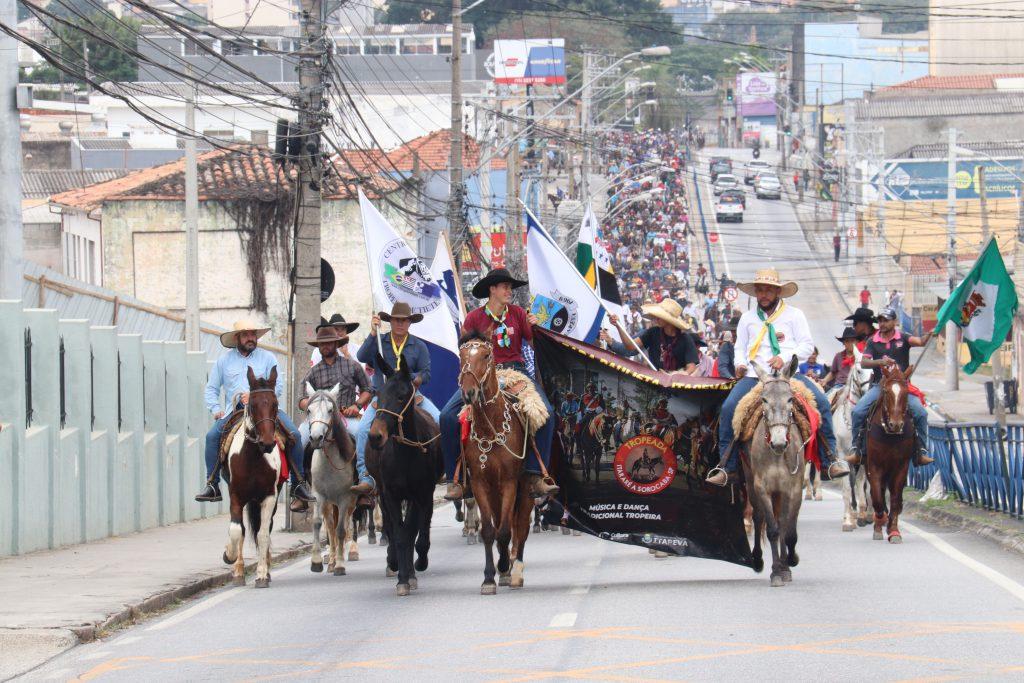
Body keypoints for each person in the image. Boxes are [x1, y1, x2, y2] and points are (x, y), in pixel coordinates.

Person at [706, 269, 850, 486]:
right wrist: (741, 364)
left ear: (777, 292)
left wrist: (784, 358)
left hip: (788, 376)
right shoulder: (747, 318)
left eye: (768, 290)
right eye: (760, 290)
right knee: (728, 409)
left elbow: (806, 345)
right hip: (755, 377)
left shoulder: (795, 315)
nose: (763, 294)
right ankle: (728, 467)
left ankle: (830, 460)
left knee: (821, 404)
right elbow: (740, 348)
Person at [440, 268, 559, 500]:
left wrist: (537, 328)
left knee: (548, 414)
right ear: (491, 289)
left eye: (510, 287)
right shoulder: (474, 318)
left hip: (516, 372)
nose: (509, 291)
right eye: (505, 286)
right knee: (445, 417)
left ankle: (536, 474)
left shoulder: (518, 314)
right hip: (482, 375)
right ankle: (456, 479)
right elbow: (466, 353)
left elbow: (536, 346)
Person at [196, 320, 313, 508]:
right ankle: (212, 484)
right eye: (246, 334)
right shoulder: (224, 361)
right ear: (237, 338)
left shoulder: (268, 358)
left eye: (253, 334)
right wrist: (215, 409)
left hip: (265, 410)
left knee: (295, 435)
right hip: (236, 411)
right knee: (211, 437)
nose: (251, 338)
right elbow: (211, 389)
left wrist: (255, 396)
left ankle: (297, 483)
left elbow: (279, 386)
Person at [355, 302, 442, 495]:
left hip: (410, 396)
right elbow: (361, 356)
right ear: (390, 321)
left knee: (439, 420)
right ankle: (365, 477)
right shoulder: (379, 340)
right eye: (396, 320)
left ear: (410, 323)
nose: (400, 324)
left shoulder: (418, 346)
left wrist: (412, 378)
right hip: (383, 399)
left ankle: (439, 468)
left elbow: (426, 374)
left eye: (404, 320)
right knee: (362, 430)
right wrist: (371, 333)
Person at [848, 308, 935, 467]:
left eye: (886, 320)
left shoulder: (903, 337)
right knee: (857, 411)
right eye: (880, 320)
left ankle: (921, 451)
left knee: (921, 413)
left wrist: (930, 333)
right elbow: (864, 363)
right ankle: (856, 449)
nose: (882, 323)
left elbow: (921, 342)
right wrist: (880, 362)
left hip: (902, 387)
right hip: (880, 386)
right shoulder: (872, 341)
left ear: (895, 322)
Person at [297, 324, 371, 476]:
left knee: (362, 434)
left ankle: (365, 478)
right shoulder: (313, 372)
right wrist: (313, 408)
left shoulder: (352, 366)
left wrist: (357, 406)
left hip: (347, 416)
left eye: (329, 342)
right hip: (319, 419)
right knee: (299, 438)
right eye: (322, 343)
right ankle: (298, 483)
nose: (325, 346)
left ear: (337, 344)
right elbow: (301, 399)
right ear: (318, 347)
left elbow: (368, 389)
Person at [602, 299, 699, 373]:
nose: (655, 318)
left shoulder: (686, 339)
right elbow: (630, 347)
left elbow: (691, 366)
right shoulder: (653, 333)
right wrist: (618, 326)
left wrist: (682, 374)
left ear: (669, 320)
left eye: (659, 316)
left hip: (677, 385)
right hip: (655, 381)